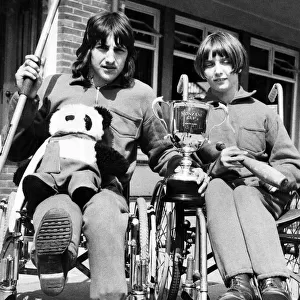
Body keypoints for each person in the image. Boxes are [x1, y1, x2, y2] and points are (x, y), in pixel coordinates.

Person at [6, 11, 208, 300]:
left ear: (129, 55)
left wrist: (184, 166)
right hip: (52, 184)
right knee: (58, 210)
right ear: (88, 48)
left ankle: (109, 294)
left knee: (104, 213)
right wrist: (26, 96)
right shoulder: (54, 85)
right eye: (102, 47)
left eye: (119, 49)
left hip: (106, 189)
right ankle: (55, 257)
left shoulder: (141, 95)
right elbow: (17, 148)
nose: (110, 58)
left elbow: (161, 149)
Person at [194, 31, 300, 300]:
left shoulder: (263, 111)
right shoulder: (194, 114)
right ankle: (240, 284)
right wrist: (213, 168)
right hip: (218, 194)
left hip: (265, 195)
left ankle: (273, 283)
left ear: (237, 64)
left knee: (245, 192)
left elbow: (290, 164)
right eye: (209, 64)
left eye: (224, 62)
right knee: (217, 187)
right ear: (203, 70)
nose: (218, 71)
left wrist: (274, 178)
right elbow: (185, 164)